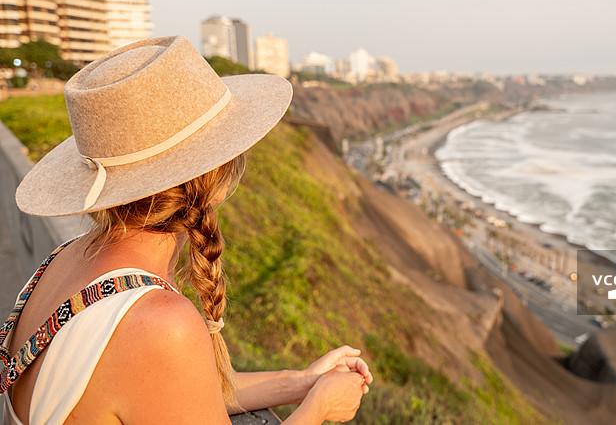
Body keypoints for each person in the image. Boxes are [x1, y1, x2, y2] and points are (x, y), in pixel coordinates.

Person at [1, 36, 373, 424]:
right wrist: (320, 407)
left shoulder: (67, 260)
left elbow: (170, 395)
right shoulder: (159, 322)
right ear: (219, 177)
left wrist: (302, 381)